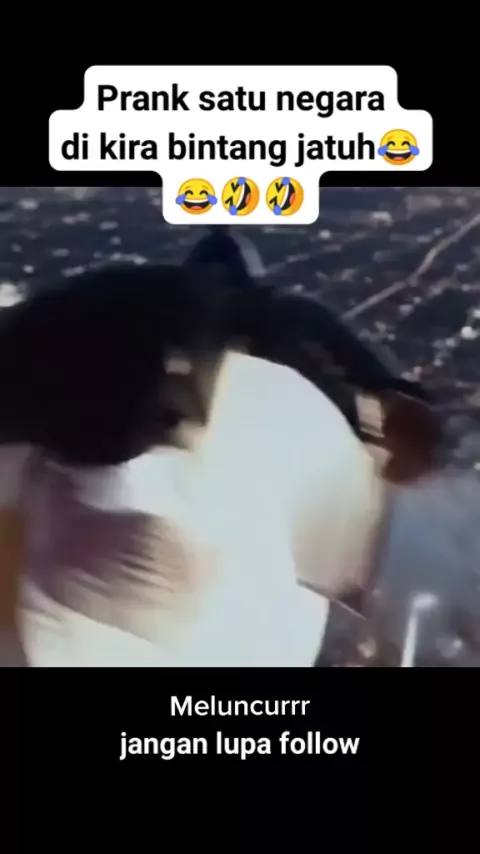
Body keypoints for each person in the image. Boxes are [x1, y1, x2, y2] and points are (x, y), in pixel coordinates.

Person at [0, 235, 479, 667]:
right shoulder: (260, 329)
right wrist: (379, 400)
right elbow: (323, 343)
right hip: (148, 453)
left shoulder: (134, 307)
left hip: (73, 433)